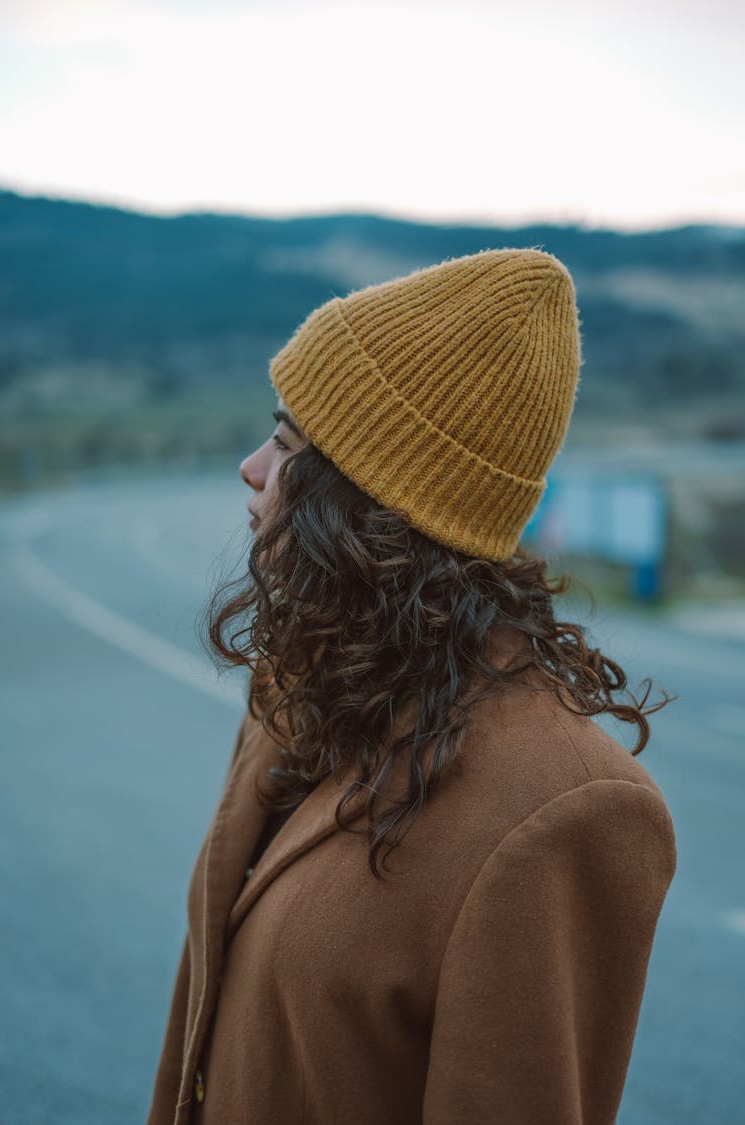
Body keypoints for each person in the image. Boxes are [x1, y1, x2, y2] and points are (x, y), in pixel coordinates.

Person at [147, 248, 676, 1124]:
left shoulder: (563, 808)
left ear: (370, 501)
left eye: (285, 443)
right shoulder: (305, 693)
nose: (250, 465)